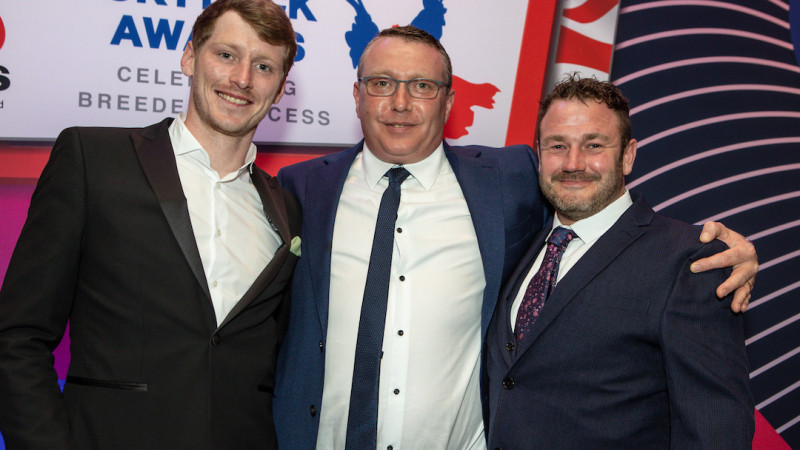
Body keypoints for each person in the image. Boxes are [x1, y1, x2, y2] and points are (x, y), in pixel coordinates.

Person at [273, 26, 757, 449]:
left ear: (449, 101)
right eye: (382, 83)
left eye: (422, 85)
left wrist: (731, 252)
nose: (401, 103)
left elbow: (609, 217)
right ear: (357, 95)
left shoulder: (507, 179)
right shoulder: (300, 187)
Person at [0, 0, 300, 448]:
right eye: (226, 55)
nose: (242, 78)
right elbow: (18, 337)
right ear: (189, 58)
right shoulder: (93, 161)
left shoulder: (287, 209)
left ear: (279, 91)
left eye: (263, 67)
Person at [485, 75, 755, 448]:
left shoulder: (689, 260)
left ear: (627, 155)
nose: (573, 163)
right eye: (558, 145)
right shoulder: (519, 240)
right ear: (539, 154)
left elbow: (715, 426)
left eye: (593, 145)